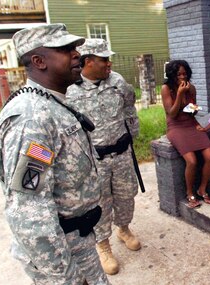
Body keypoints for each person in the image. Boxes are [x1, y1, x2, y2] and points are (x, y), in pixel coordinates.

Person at [0, 24, 110, 284]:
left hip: (79, 240)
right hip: (61, 254)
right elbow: (29, 213)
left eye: (75, 48)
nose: (77, 54)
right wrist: (66, 277)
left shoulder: (51, 102)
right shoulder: (32, 118)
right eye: (66, 49)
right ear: (38, 61)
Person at [66, 38, 141, 275]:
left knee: (126, 196)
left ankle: (124, 229)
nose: (109, 63)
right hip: (94, 161)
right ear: (88, 62)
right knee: (100, 203)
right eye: (104, 59)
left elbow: (130, 105)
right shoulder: (70, 89)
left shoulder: (117, 81)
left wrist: (132, 133)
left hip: (121, 154)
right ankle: (103, 245)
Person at [161, 60, 210, 208]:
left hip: (191, 124)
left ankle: (202, 188)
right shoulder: (166, 89)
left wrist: (195, 112)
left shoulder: (191, 88)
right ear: (172, 75)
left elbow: (193, 111)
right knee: (191, 161)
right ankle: (189, 192)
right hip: (176, 127)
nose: (182, 77)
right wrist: (179, 94)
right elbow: (171, 113)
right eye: (179, 74)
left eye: (185, 74)